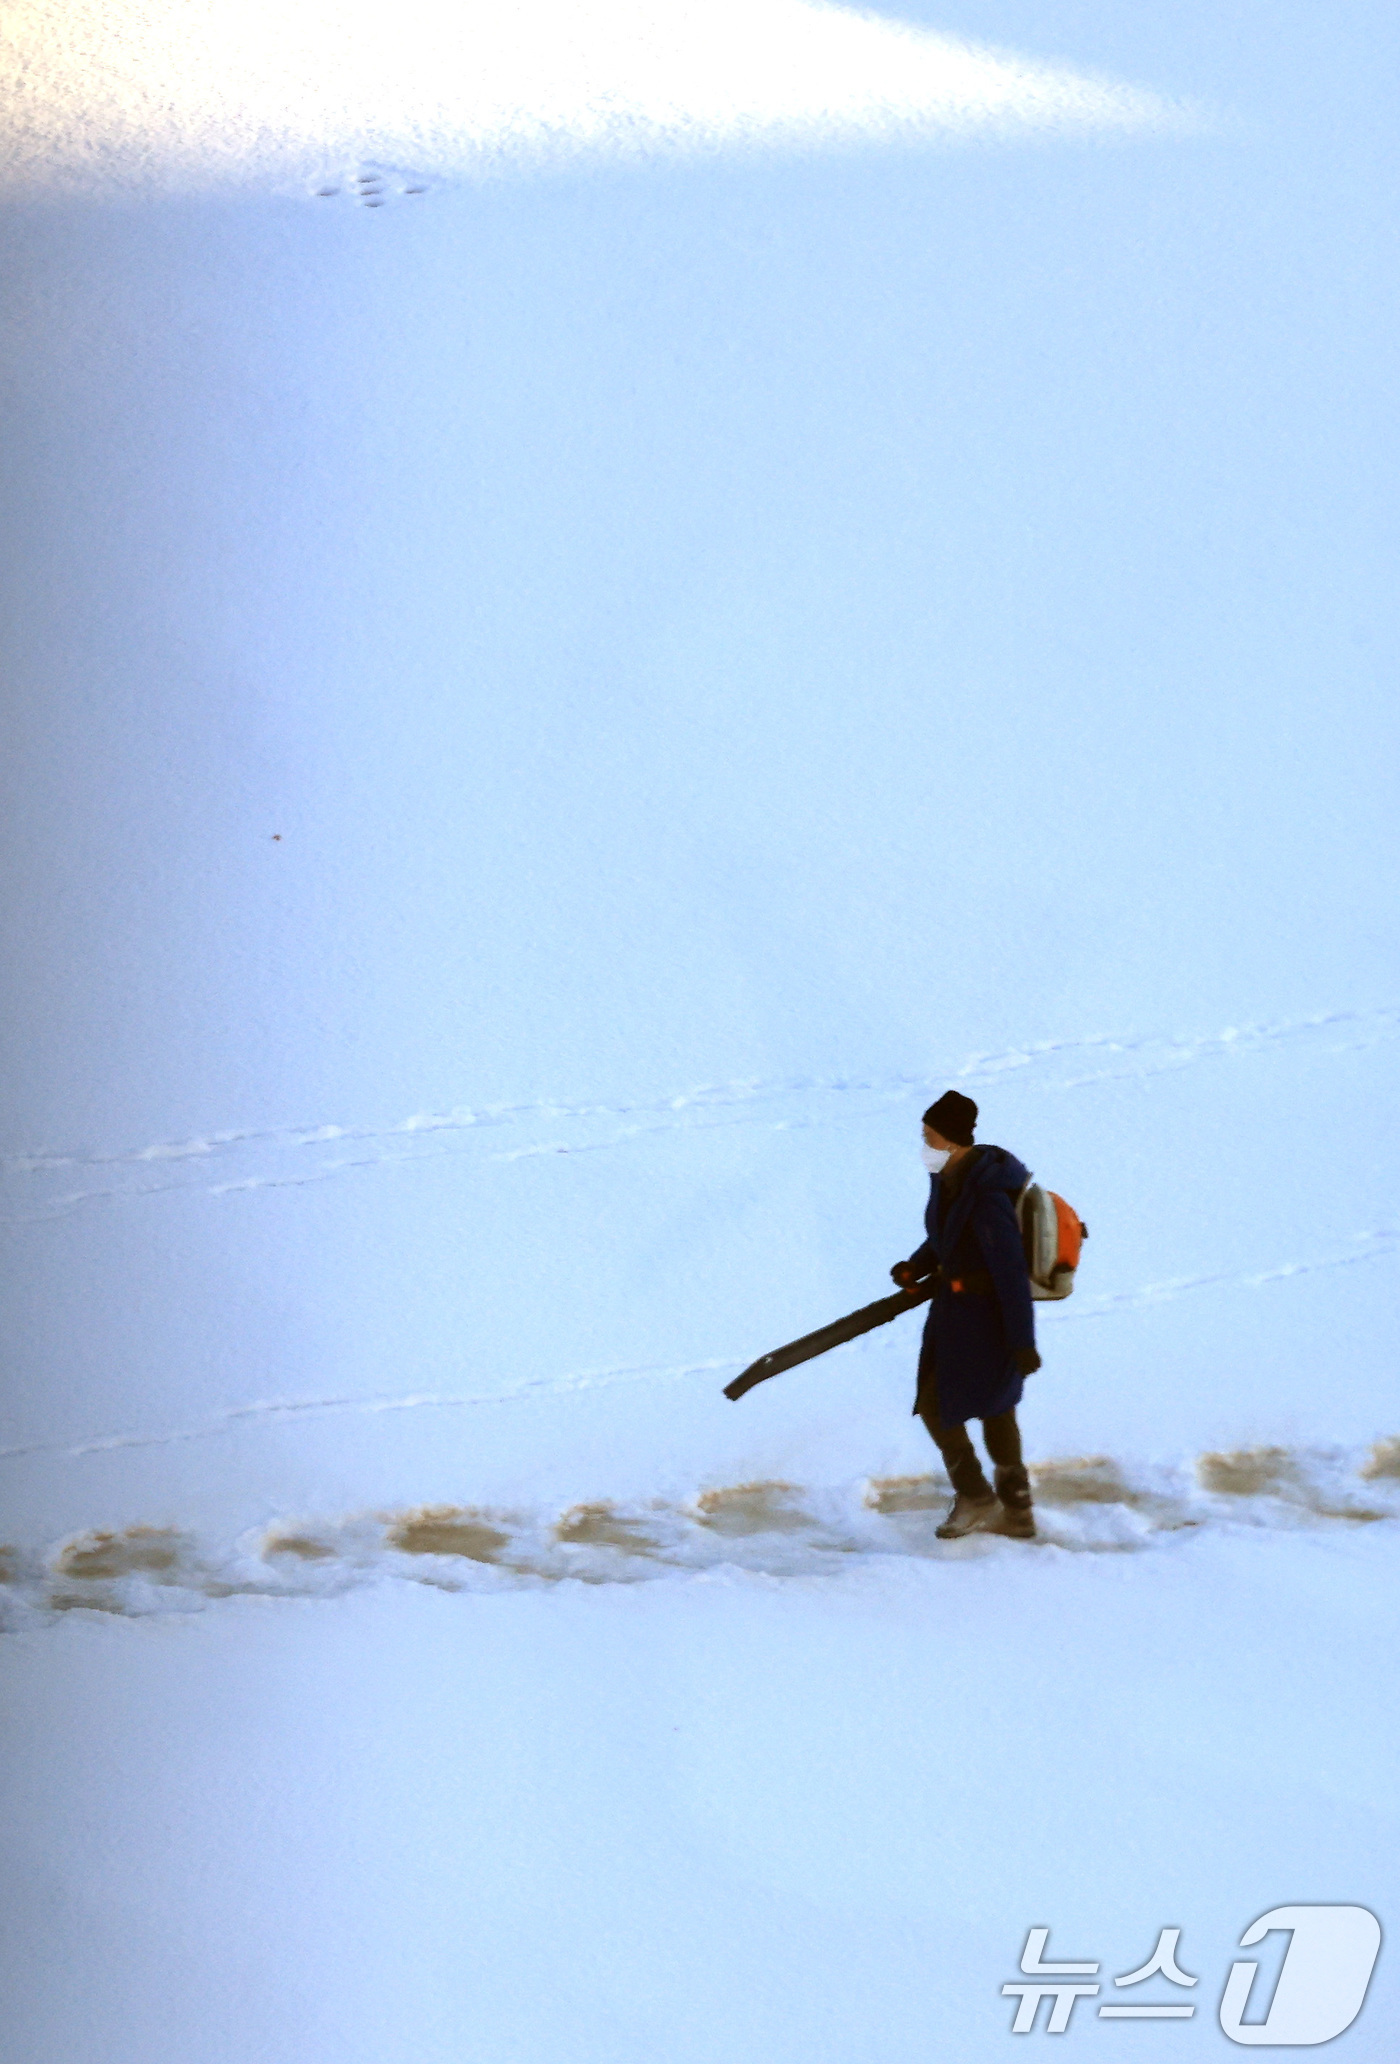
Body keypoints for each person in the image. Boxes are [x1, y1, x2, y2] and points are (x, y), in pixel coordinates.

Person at [890, 1090, 1040, 1539]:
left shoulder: (987, 1195)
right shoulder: (949, 1179)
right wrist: (916, 1265)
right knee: (994, 1412)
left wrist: (1021, 1341)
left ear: (953, 1142)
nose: (924, 1145)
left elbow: (1011, 1273)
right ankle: (1017, 1514)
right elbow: (946, 1238)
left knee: (947, 1409)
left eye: (930, 1136)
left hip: (987, 1324)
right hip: (955, 1317)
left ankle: (979, 1497)